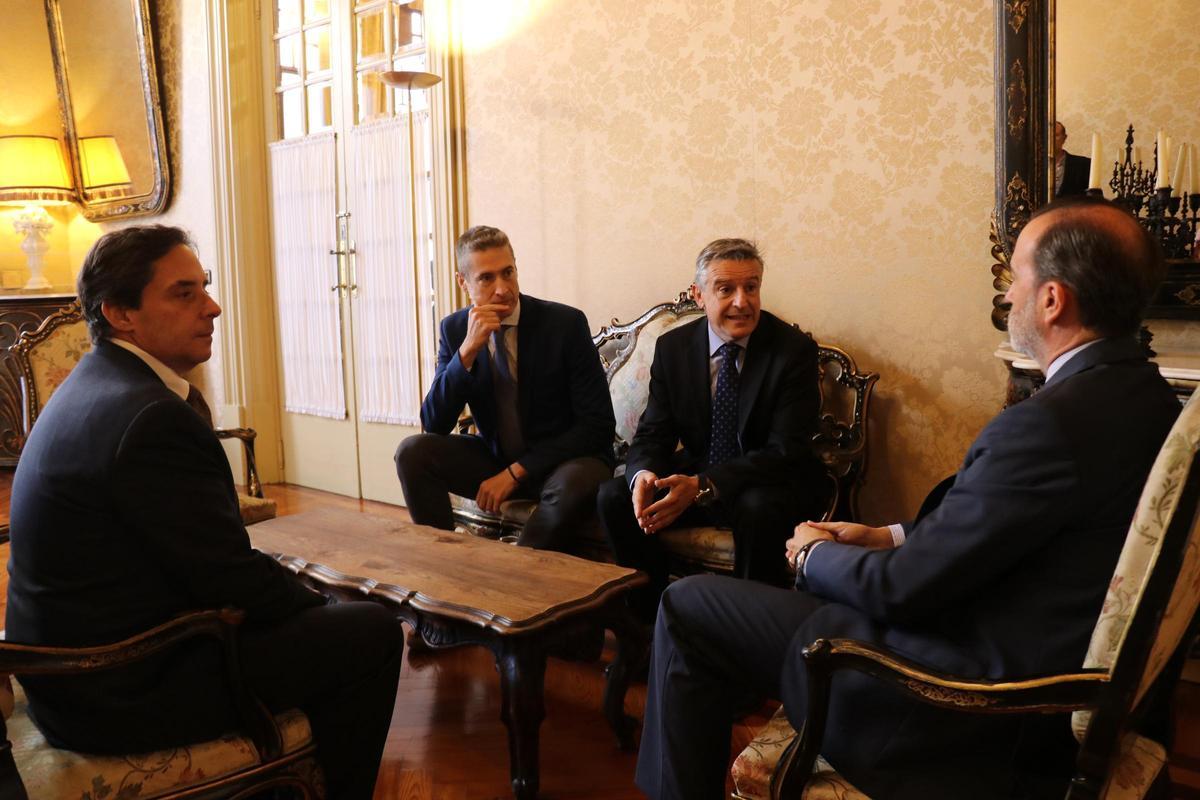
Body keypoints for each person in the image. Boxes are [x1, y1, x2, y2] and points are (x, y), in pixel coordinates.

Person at [636, 198, 1180, 800]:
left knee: (686, 605)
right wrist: (886, 535)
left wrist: (814, 555)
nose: (1008, 295)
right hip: (1024, 643)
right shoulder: (1149, 397)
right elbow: (1014, 531)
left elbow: (901, 590)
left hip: (958, 699)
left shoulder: (1048, 425)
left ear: (1053, 300)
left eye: (1016, 277)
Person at [6, 226, 405, 800]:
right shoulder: (148, 417)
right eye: (184, 293)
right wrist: (319, 603)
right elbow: (230, 575)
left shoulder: (95, 382)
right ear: (120, 313)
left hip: (70, 670)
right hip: (116, 687)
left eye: (205, 287)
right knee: (370, 630)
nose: (212, 308)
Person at [596, 238, 827, 622]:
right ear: (698, 295)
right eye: (726, 289)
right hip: (701, 473)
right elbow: (654, 433)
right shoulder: (674, 348)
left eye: (751, 287)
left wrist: (704, 485)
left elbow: (785, 451)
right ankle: (652, 623)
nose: (742, 301)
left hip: (772, 481)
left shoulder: (792, 351)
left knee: (757, 508)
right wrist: (643, 475)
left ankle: (747, 631)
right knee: (615, 497)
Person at [396, 225, 616, 551]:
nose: (502, 289)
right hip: (497, 456)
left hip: (567, 460)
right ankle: (444, 562)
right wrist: (467, 351)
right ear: (463, 282)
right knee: (412, 452)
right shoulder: (455, 329)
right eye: (486, 278)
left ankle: (516, 572)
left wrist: (514, 473)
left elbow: (597, 426)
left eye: (508, 273)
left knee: (571, 484)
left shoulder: (564, 324)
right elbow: (435, 423)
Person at [1055, 121, 1092, 197]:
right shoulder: (1033, 166)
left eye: (1056, 135)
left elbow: (1093, 198)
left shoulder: (1083, 165)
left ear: (1064, 138)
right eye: (1047, 135)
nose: (1050, 139)